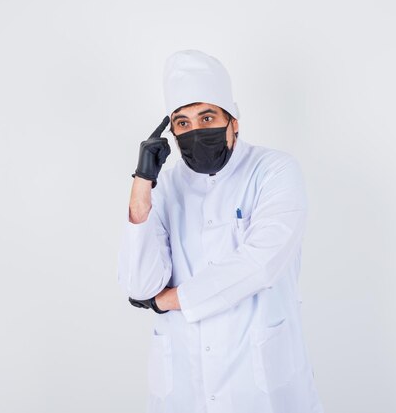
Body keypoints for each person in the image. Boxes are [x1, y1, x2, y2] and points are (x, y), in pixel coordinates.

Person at [117, 49, 324, 413]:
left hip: (261, 383)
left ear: (234, 121)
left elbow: (260, 263)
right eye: (182, 123)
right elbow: (140, 286)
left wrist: (169, 301)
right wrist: (141, 184)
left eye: (207, 117)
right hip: (184, 380)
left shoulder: (273, 171)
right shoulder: (162, 188)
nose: (196, 131)